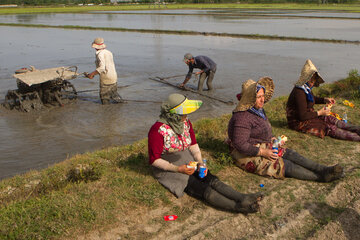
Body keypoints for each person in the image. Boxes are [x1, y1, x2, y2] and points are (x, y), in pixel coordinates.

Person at [148, 93, 263, 214]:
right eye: (183, 113)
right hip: (168, 167)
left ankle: (242, 197)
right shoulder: (157, 130)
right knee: (200, 187)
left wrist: (200, 162)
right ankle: (238, 207)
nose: (186, 116)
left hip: (185, 158)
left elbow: (193, 144)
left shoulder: (185, 122)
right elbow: (154, 160)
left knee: (211, 179)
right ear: (174, 115)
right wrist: (177, 169)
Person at [227, 76, 344, 182]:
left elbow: (259, 130)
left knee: (291, 154)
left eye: (263, 96)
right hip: (247, 153)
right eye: (258, 97)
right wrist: (263, 152)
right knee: (284, 165)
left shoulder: (257, 110)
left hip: (262, 145)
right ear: (250, 99)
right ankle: (321, 177)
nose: (262, 100)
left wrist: (271, 139)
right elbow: (240, 143)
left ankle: (324, 169)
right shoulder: (242, 117)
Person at [286, 59, 360, 141]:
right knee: (327, 127)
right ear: (306, 79)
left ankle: (357, 129)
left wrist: (324, 100)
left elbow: (312, 99)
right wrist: (320, 113)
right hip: (298, 122)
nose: (312, 83)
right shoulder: (299, 92)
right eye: (311, 81)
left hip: (308, 116)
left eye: (313, 81)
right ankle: (357, 138)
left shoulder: (305, 89)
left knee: (330, 119)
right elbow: (302, 116)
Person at [85, 37, 124, 105]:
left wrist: (92, 74)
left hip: (106, 78)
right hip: (113, 76)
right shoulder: (108, 52)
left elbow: (102, 68)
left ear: (95, 46)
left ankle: (105, 111)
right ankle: (121, 105)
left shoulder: (100, 54)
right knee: (114, 94)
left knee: (104, 97)